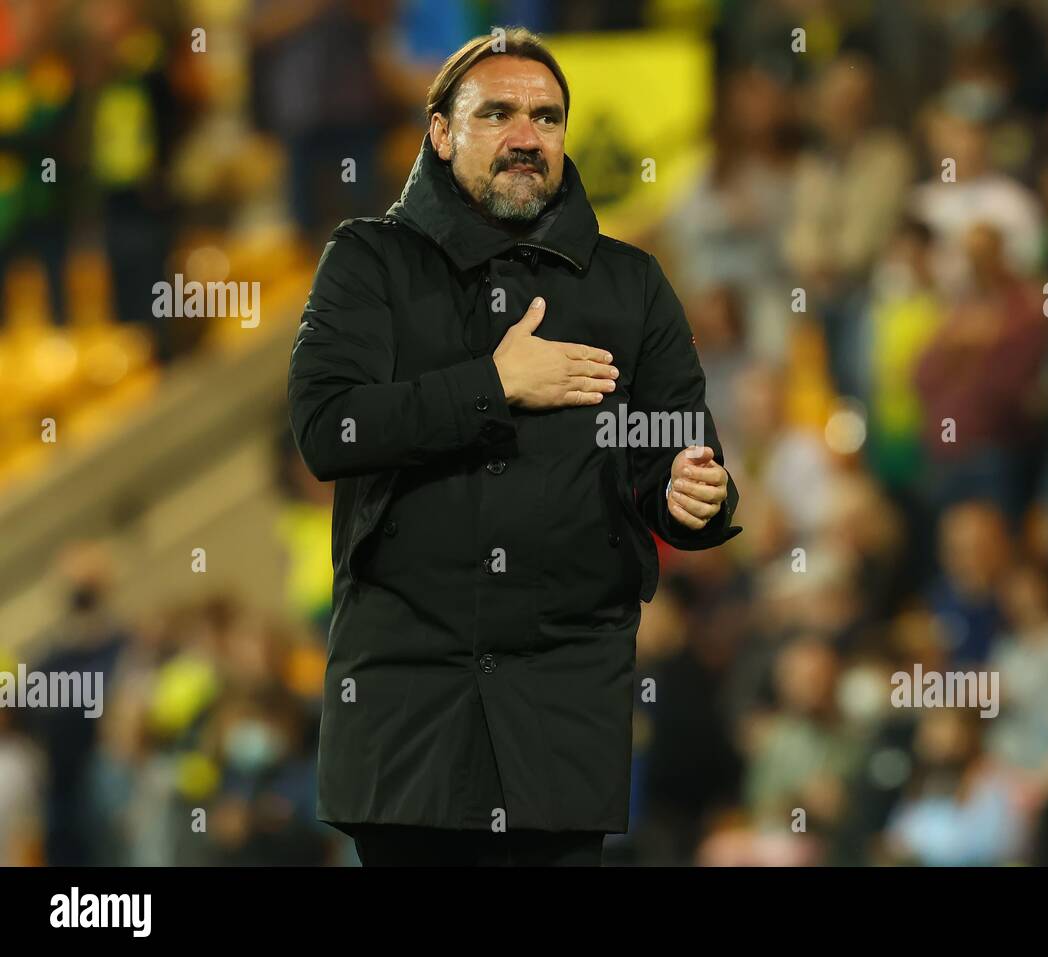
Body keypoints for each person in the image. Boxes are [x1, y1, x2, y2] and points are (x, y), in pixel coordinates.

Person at [286, 28, 741, 866]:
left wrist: (696, 497)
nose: (527, 136)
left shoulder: (631, 283)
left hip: (562, 717)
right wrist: (492, 386)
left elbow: (674, 451)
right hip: (409, 716)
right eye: (497, 112)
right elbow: (328, 429)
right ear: (441, 132)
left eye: (547, 117)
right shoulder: (367, 262)